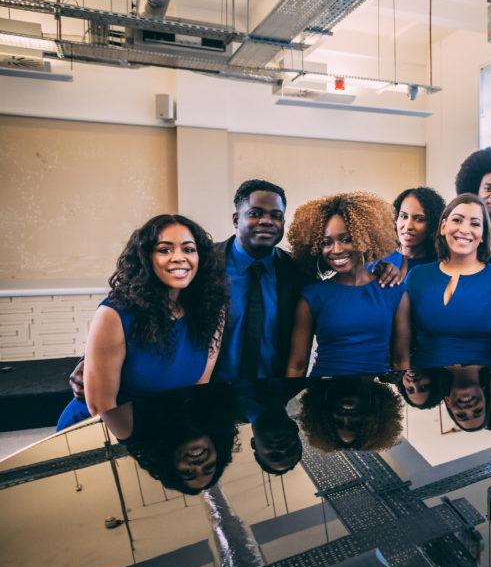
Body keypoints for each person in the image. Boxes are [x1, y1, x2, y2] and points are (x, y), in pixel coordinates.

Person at [57, 214, 229, 431]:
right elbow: (100, 407)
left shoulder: (212, 309)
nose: (179, 257)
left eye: (188, 249)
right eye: (164, 250)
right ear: (145, 257)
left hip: (167, 427)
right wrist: (154, 445)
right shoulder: (114, 313)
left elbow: (198, 389)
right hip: (102, 430)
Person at [285, 192, 410, 377]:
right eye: (326, 242)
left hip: (376, 390)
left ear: (365, 238)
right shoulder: (312, 296)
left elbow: (401, 361)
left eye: (346, 240)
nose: (336, 250)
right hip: (325, 388)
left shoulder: (394, 291)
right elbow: (297, 366)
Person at [400, 194, 491, 368]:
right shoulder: (416, 276)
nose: (465, 229)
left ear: (483, 235)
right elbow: (401, 336)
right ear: (443, 227)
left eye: (475, 224)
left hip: (481, 378)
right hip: (425, 378)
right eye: (457, 220)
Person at [213, 179, 314, 381]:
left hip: (274, 392)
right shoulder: (204, 263)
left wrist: (380, 267)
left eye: (276, 216)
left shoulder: (299, 272)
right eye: (255, 213)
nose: (267, 221)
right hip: (207, 390)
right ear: (236, 220)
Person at [374, 186, 447, 280]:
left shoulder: (440, 266)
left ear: (432, 224)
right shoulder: (379, 259)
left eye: (419, 219)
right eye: (404, 216)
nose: (408, 226)